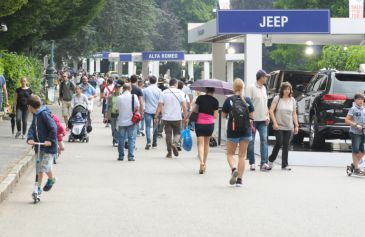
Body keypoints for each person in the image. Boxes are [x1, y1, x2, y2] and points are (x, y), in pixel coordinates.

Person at [222, 79, 254, 187]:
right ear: (243, 87)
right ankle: (239, 180)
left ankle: (234, 169)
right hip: (245, 131)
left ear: (233, 88)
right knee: (242, 156)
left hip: (233, 130)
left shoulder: (229, 100)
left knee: (230, 154)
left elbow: (223, 115)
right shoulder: (248, 100)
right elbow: (251, 116)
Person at [26, 95, 57, 194]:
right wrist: (30, 138)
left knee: (44, 166)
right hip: (39, 146)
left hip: (49, 147)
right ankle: (38, 187)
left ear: (30, 106)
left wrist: (50, 140)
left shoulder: (43, 114)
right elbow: (32, 129)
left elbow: (53, 128)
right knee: (39, 168)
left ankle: (52, 179)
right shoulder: (36, 115)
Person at [268, 82, 299, 171]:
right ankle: (271, 160)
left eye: (288, 89)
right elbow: (271, 111)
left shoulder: (292, 100)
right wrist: (275, 123)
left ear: (290, 90)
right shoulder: (277, 98)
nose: (287, 91)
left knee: (286, 144)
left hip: (289, 126)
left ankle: (284, 165)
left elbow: (294, 114)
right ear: (282, 89)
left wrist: (296, 125)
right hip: (279, 126)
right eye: (285, 89)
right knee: (279, 142)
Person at [154, 78, 188, 158]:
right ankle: (175, 143)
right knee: (177, 133)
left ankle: (169, 152)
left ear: (169, 84)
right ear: (176, 84)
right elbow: (184, 106)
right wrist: (186, 116)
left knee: (168, 134)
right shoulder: (181, 93)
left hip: (166, 117)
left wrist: (156, 116)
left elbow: (160, 105)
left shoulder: (164, 92)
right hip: (177, 117)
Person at [247, 70, 271, 171]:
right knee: (251, 142)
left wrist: (268, 116)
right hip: (253, 120)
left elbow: (265, 104)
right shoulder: (251, 87)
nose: (266, 78)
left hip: (263, 120)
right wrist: (249, 118)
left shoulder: (264, 88)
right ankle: (252, 162)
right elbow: (247, 103)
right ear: (261, 77)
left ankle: (264, 163)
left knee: (264, 140)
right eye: (265, 77)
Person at [190, 87, 219, 174]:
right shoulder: (215, 101)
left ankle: (201, 162)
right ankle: (204, 164)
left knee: (200, 144)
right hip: (209, 124)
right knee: (206, 144)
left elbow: (195, 109)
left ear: (206, 90)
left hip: (199, 123)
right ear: (213, 91)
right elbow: (215, 116)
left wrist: (189, 117)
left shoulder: (200, 98)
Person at [116, 83, 140, 161]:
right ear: (130, 89)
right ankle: (130, 156)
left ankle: (121, 156)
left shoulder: (119, 97)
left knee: (121, 139)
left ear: (123, 89)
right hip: (131, 120)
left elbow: (117, 108)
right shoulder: (134, 96)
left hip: (121, 121)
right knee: (131, 138)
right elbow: (137, 106)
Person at [345, 92, 365, 175]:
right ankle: (356, 169)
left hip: (363, 132)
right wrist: (355, 125)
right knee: (355, 150)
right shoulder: (353, 109)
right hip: (355, 132)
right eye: (359, 99)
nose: (360, 101)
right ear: (355, 100)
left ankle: (353, 165)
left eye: (362, 99)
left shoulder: (364, 109)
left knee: (362, 151)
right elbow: (346, 120)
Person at [143, 76, 162, 150]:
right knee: (155, 126)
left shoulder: (145, 90)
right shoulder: (159, 90)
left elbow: (144, 100)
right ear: (156, 81)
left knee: (147, 126)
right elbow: (161, 102)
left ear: (149, 81)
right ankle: (154, 142)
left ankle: (148, 142)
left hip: (147, 110)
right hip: (156, 111)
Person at [106, 80, 123, 147]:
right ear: (114, 89)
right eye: (116, 88)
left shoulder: (122, 96)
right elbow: (108, 106)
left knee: (117, 128)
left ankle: (116, 140)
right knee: (113, 128)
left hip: (119, 114)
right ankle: (114, 138)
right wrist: (106, 115)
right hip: (112, 114)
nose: (118, 89)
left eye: (119, 88)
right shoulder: (111, 96)